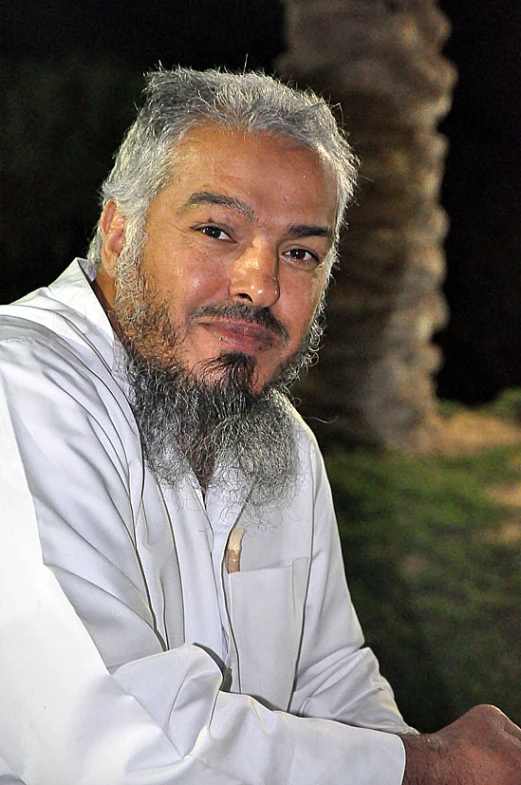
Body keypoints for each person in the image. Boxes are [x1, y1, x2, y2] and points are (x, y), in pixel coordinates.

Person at [0, 66, 519, 785]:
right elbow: (103, 743)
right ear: (119, 232)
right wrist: (424, 769)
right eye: (217, 230)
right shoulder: (20, 386)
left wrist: (414, 760)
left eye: (300, 252)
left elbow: (330, 682)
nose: (260, 283)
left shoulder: (275, 440)